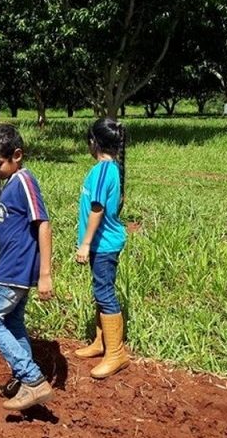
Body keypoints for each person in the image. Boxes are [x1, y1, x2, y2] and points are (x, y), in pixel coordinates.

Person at [0, 124, 54, 411]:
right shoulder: (12, 183)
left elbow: (43, 224)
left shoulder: (24, 180)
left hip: (16, 270)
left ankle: (32, 379)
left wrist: (45, 273)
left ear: (17, 155)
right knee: (13, 323)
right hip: (10, 268)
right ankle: (25, 379)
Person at [74, 118, 130, 379]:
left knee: (105, 293)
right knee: (100, 290)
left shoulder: (102, 171)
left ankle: (116, 353)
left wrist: (85, 244)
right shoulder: (110, 169)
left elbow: (97, 209)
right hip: (104, 242)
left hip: (103, 244)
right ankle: (101, 343)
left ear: (93, 142)